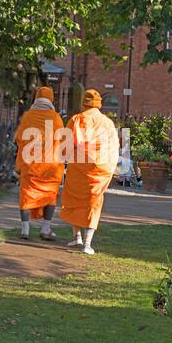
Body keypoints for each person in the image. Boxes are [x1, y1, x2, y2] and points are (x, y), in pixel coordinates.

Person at [60, 89, 119, 254]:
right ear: (98, 104)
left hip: (79, 167)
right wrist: (110, 166)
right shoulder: (107, 122)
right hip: (101, 168)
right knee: (94, 202)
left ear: (83, 103)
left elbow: (67, 144)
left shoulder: (77, 119)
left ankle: (76, 236)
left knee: (74, 198)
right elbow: (114, 146)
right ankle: (87, 243)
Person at [15, 86, 64, 240]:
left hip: (30, 165)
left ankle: (25, 229)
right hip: (51, 166)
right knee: (50, 196)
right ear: (51, 99)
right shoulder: (56, 118)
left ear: (36, 99)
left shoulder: (28, 116)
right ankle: (46, 228)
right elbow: (62, 139)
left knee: (26, 195)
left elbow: (19, 138)